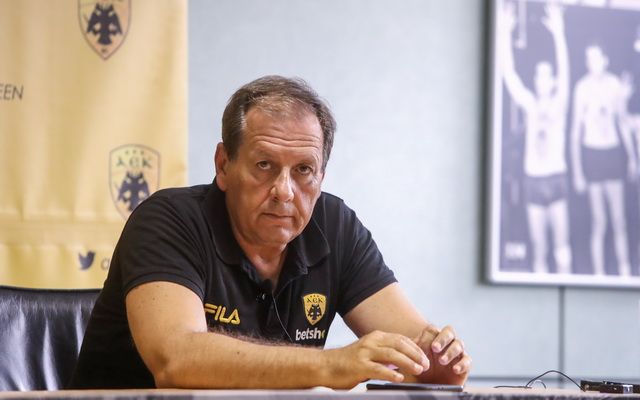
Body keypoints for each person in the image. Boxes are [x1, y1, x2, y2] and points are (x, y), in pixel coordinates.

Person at [69, 76, 471, 389]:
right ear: (223, 165)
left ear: (322, 176)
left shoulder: (335, 226)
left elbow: (415, 350)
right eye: (264, 165)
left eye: (303, 170)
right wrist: (332, 365)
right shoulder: (168, 219)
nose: (284, 191)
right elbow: (176, 359)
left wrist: (434, 363)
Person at [499, 2, 571, 274]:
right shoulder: (529, 103)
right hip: (534, 180)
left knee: (562, 249)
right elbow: (509, 74)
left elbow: (566, 73)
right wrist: (504, 33)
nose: (542, 79)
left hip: (555, 178)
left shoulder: (559, 103)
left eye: (547, 75)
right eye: (539, 75)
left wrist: (559, 34)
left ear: (552, 81)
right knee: (539, 249)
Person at [571, 44, 637, 277]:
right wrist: (577, 170)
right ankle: (598, 275)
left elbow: (622, 121)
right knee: (599, 221)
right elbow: (575, 131)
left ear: (605, 60)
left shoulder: (614, 84)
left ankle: (625, 273)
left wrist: (632, 157)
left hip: (613, 153)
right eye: (588, 58)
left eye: (596, 58)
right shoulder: (581, 88)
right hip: (592, 154)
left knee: (619, 220)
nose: (592, 63)